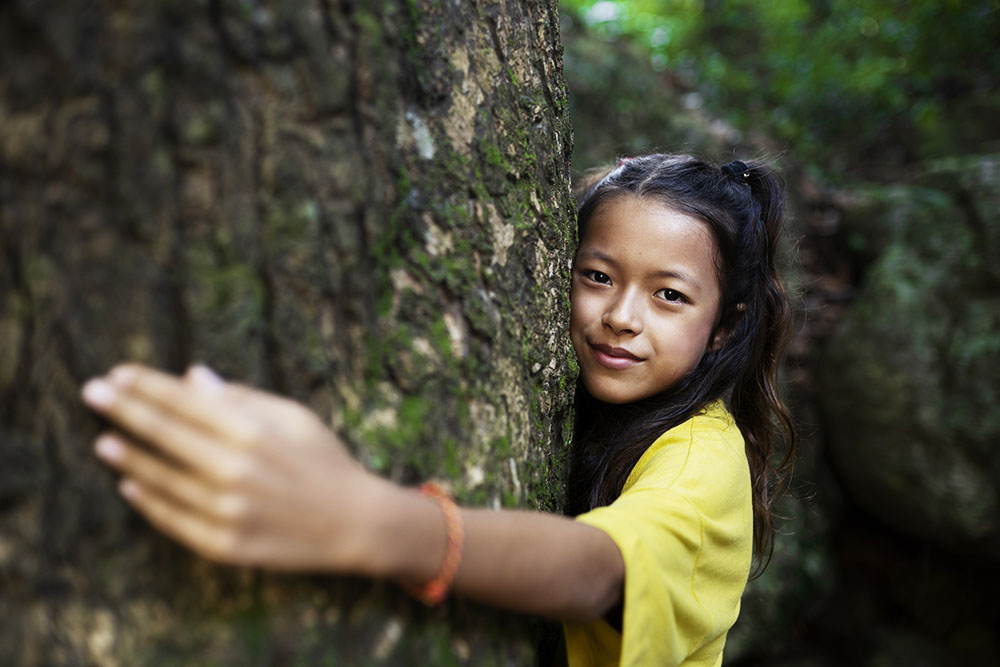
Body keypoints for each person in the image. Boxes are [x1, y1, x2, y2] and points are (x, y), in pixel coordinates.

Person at [81, 153, 796, 667]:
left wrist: (366, 520)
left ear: (725, 326)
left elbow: (597, 572)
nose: (621, 317)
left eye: (669, 295)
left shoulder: (702, 457)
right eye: (598, 276)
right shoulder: (580, 399)